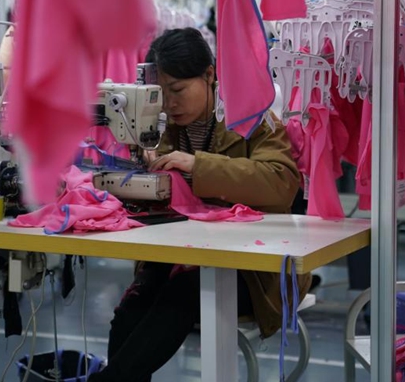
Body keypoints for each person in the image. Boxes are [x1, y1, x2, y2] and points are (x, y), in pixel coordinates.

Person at [89, 28, 311, 382]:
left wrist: (197, 165)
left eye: (177, 90)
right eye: (161, 94)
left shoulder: (252, 114)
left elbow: (281, 182)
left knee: (184, 292)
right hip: (183, 254)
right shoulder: (164, 126)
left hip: (253, 269)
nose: (170, 103)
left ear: (209, 75)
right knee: (133, 306)